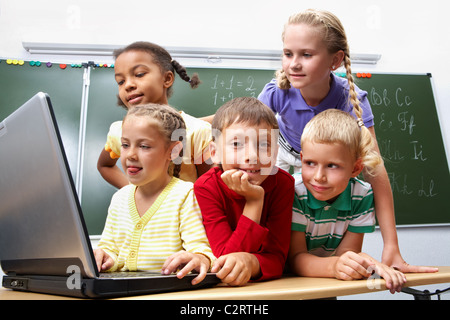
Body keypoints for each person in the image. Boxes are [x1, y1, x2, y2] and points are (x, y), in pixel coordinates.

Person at [258, 9, 438, 274]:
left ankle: (321, 264)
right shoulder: (278, 92)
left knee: (326, 213)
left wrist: (392, 246)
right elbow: (238, 122)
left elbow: (374, 169)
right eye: (288, 54)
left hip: (324, 161)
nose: (294, 64)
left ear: (335, 60)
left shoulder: (351, 100)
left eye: (306, 54)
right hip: (286, 154)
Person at [94, 104, 215, 285]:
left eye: (144, 146)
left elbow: (201, 250)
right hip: (125, 292)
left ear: (173, 151)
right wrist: (104, 257)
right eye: (125, 145)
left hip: (165, 292)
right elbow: (110, 248)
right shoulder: (119, 198)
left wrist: (200, 258)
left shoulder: (185, 195)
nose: (130, 155)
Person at [288, 109, 407, 294]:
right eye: (310, 163)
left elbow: (346, 254)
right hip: (287, 283)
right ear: (301, 159)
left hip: (325, 283)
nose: (319, 177)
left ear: (356, 168)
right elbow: (294, 259)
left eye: (332, 165)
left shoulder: (362, 195)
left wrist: (366, 263)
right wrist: (336, 265)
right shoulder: (294, 191)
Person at [194, 97, 294, 285]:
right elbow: (226, 259)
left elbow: (277, 259)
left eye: (264, 145)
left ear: (275, 152)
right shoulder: (206, 187)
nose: (252, 156)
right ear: (215, 152)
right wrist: (254, 202)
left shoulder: (283, 184)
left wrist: (252, 262)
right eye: (237, 144)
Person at [97, 41, 212, 188]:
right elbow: (104, 165)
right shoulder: (118, 132)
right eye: (120, 81)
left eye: (139, 74)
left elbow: (207, 186)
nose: (128, 85)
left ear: (167, 79)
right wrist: (132, 193)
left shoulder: (198, 131)